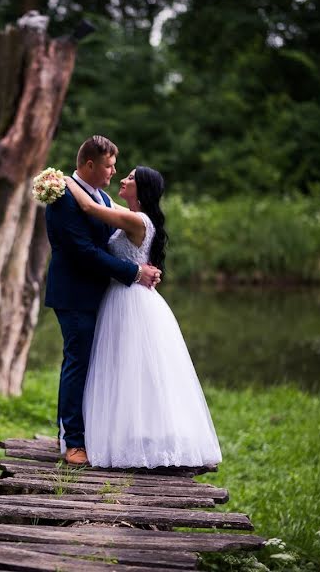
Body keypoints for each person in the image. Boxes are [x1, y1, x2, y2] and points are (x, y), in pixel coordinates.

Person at [65, 166, 222, 469]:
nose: (123, 179)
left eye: (130, 178)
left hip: (130, 301)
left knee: (134, 367)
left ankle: (141, 440)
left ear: (142, 189)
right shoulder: (131, 214)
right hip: (121, 296)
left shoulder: (137, 220)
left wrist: (63, 179)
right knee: (121, 368)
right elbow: (103, 199)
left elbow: (88, 205)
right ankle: (123, 436)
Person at [44, 136, 161, 466]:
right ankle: (73, 442)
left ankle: (88, 432)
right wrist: (134, 272)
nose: (114, 171)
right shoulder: (63, 197)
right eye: (109, 166)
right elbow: (83, 251)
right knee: (78, 362)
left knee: (95, 365)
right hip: (75, 293)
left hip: (103, 295)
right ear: (90, 165)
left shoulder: (103, 197)